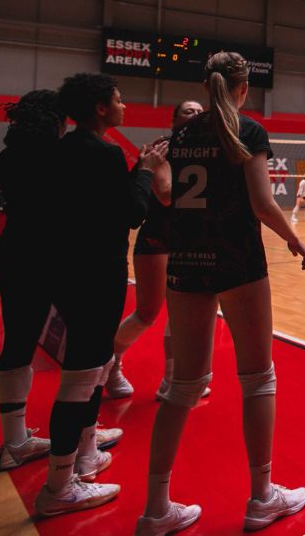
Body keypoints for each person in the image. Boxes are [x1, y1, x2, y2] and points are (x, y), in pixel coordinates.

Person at [136, 54, 305, 536]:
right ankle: (261, 498)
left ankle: (155, 509)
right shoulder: (246, 131)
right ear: (244, 87)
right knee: (258, 378)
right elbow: (261, 203)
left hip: (187, 262)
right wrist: (293, 237)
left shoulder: (182, 135)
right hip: (237, 262)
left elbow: (168, 194)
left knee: (181, 388)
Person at [33, 75, 165, 517]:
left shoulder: (58, 151)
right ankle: (59, 485)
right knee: (80, 379)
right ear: (101, 109)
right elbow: (131, 213)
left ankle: (84, 456)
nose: (125, 105)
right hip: (96, 274)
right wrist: (143, 171)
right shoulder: (105, 153)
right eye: (119, 99)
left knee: (90, 369)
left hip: (65, 272)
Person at [0, 91, 120, 482]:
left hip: (14, 254)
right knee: (89, 350)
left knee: (17, 344)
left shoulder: (9, 155)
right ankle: (85, 446)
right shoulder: (61, 154)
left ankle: (14, 442)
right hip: (57, 258)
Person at [104, 100, 205, 401]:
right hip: (157, 239)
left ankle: (172, 381)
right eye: (188, 111)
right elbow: (163, 194)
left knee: (181, 314)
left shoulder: (206, 151)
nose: (196, 115)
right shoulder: (163, 148)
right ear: (174, 120)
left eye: (200, 112)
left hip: (189, 239)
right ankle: (110, 365)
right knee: (147, 313)